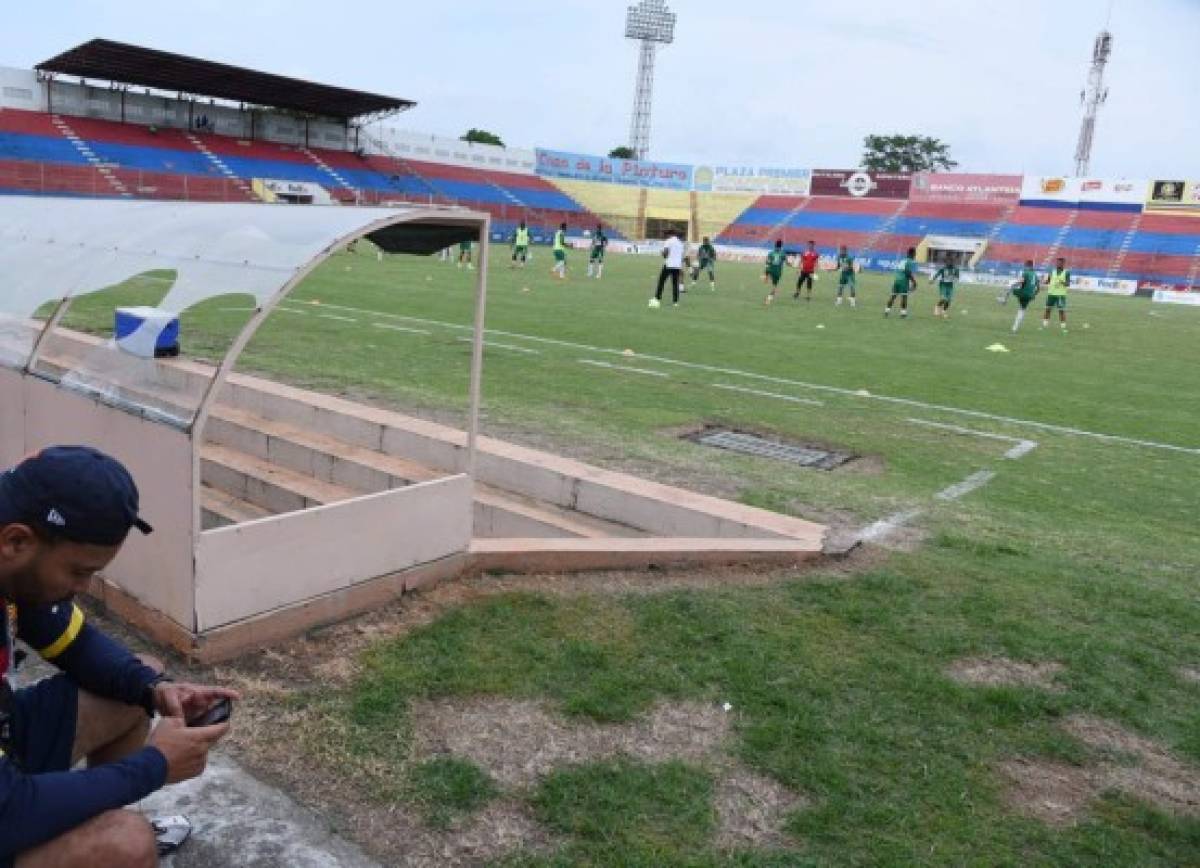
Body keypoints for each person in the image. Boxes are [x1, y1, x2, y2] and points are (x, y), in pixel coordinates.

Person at [0, 447, 239, 867]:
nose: (85, 587)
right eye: (77, 571)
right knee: (126, 845)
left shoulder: (13, 563)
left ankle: (85, 831)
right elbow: (7, 813)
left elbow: (75, 644)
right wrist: (155, 765)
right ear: (16, 541)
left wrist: (155, 690)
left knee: (137, 679)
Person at [649, 229, 685, 308]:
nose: (665, 237)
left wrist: (662, 253)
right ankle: (675, 302)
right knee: (675, 284)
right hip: (677, 266)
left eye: (666, 235)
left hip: (669, 265)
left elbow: (665, 254)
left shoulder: (669, 241)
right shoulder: (680, 243)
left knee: (661, 282)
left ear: (669, 235)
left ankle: (657, 299)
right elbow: (681, 256)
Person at [884, 247, 919, 318]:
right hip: (903, 281)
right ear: (913, 254)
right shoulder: (910, 261)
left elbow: (900, 270)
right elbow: (908, 272)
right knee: (904, 296)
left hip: (897, 280)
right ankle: (903, 313)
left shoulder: (903, 260)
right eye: (915, 253)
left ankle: (887, 311)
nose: (915, 255)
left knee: (893, 296)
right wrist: (914, 281)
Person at [1009, 259, 1041, 333]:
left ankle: (1003, 299)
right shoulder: (1035, 275)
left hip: (1023, 293)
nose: (1024, 267)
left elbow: (1021, 281)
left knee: (1010, 284)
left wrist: (1014, 284)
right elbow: (1038, 288)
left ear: (1027, 265)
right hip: (1030, 295)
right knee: (1022, 309)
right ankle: (1015, 328)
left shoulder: (1025, 273)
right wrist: (1034, 294)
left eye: (1025, 265)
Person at [1042, 256, 1070, 332]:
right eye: (1057, 262)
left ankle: (1063, 327)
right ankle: (1044, 325)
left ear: (1063, 263)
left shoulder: (1066, 272)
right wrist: (1044, 281)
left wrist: (1062, 282)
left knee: (1061, 311)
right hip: (1051, 293)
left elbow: (1068, 284)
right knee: (1047, 309)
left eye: (1060, 263)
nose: (1058, 264)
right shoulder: (1052, 271)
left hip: (1060, 295)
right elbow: (1048, 281)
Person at [931, 253, 961, 318]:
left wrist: (955, 279)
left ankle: (944, 312)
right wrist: (933, 280)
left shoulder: (956, 269)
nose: (948, 263)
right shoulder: (943, 269)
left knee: (949, 300)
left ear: (952, 262)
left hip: (950, 286)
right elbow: (937, 274)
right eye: (947, 262)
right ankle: (937, 308)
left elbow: (957, 277)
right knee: (943, 298)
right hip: (943, 285)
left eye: (950, 262)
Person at [762, 240, 788, 305]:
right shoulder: (783, 253)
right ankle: (769, 298)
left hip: (771, 270)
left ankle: (766, 277)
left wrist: (766, 272)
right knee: (774, 286)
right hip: (777, 272)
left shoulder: (771, 253)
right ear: (781, 246)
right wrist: (792, 264)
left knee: (771, 284)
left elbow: (767, 262)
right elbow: (787, 262)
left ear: (775, 245)